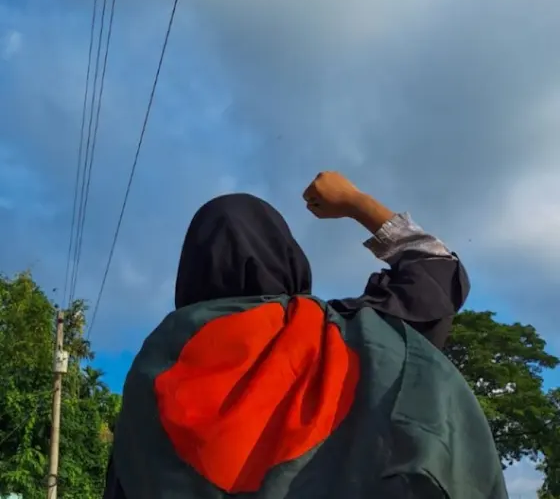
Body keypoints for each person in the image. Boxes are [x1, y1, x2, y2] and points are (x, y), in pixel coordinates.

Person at [104, 171, 508, 499]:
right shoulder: (345, 338)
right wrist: (354, 202)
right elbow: (436, 274)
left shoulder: (154, 371)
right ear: (287, 256)